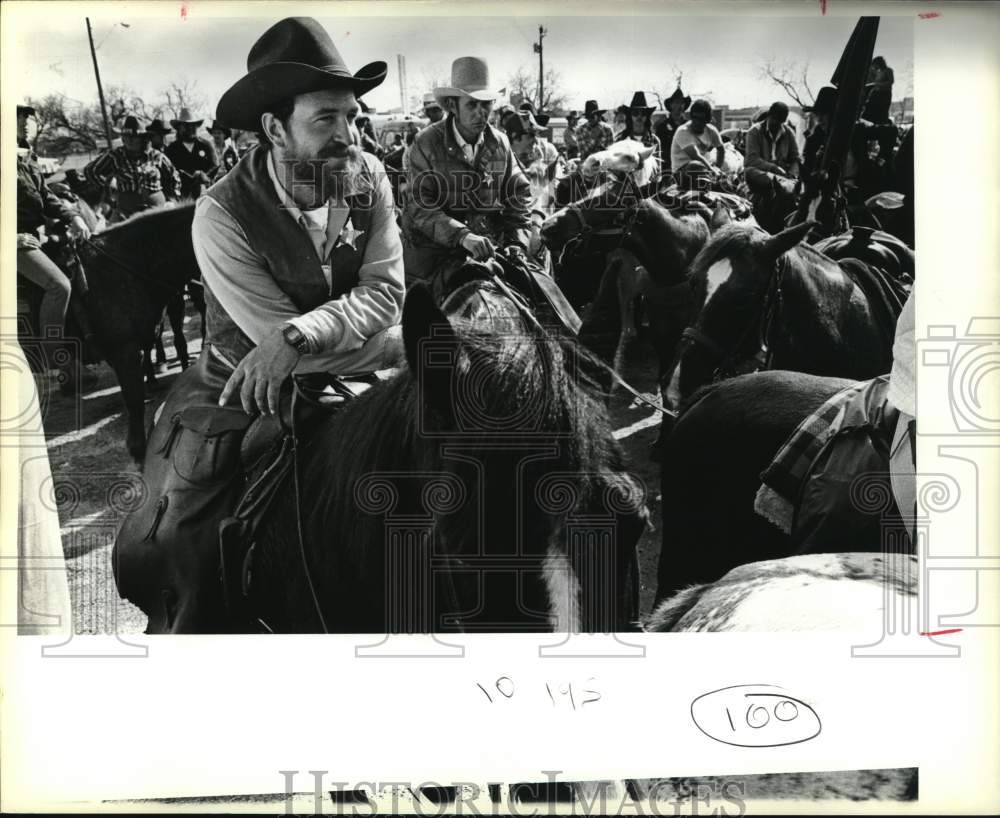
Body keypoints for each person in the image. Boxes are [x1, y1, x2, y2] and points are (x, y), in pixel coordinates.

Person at [114, 16, 406, 631]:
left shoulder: (371, 178)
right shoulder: (220, 214)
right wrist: (392, 350)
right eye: (325, 119)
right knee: (185, 532)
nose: (349, 136)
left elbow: (385, 292)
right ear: (275, 128)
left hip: (334, 362)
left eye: (352, 116)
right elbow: (268, 342)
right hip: (238, 385)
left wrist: (302, 335)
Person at [401, 55, 532, 297]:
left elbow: (519, 193)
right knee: (420, 319)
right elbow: (420, 207)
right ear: (453, 106)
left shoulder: (500, 142)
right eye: (472, 105)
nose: (481, 114)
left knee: (537, 297)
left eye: (486, 105)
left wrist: (516, 242)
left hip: (489, 250)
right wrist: (462, 236)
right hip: (434, 255)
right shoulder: (426, 143)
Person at [16, 105, 92, 350]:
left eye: (28, 116)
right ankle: (55, 361)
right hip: (15, 242)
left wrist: (73, 217)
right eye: (18, 115)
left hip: (35, 235)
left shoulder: (26, 155)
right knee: (58, 287)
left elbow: (45, 196)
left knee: (81, 265)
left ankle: (85, 348)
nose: (26, 121)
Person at [84, 115, 181, 220]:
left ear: (143, 138)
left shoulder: (156, 156)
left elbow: (174, 176)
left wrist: (172, 200)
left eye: (134, 137)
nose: (129, 140)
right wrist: (109, 189)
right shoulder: (115, 156)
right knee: (114, 234)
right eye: (125, 136)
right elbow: (90, 171)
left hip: (156, 208)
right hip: (126, 210)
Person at [744, 101, 800, 198]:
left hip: (784, 176)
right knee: (749, 171)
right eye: (774, 120)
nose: (776, 124)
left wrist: (792, 174)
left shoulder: (788, 133)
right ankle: (783, 184)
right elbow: (752, 160)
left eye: (780, 122)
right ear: (769, 116)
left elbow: (795, 159)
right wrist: (773, 168)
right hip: (763, 174)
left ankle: (785, 184)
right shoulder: (754, 131)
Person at [164, 108, 218, 199]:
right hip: (182, 194)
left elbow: (214, 165)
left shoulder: (206, 145)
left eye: (193, 125)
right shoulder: (172, 149)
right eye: (186, 125)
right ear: (179, 128)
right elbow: (168, 171)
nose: (190, 128)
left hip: (205, 191)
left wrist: (204, 176)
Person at [669, 98, 725, 187]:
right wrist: (711, 169)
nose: (697, 122)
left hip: (704, 169)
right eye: (695, 118)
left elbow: (721, 149)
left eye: (701, 119)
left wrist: (717, 168)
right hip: (682, 172)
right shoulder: (683, 131)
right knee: (695, 166)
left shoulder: (711, 131)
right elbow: (695, 155)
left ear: (707, 119)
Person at [616, 91, 663, 167]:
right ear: (630, 116)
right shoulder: (620, 139)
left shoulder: (654, 140)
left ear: (647, 117)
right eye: (635, 113)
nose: (639, 116)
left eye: (643, 113)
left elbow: (658, 170)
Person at [654, 86, 690, 159]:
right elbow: (658, 149)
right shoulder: (662, 126)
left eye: (682, 103)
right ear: (671, 105)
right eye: (677, 102)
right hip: (668, 165)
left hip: (686, 164)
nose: (680, 106)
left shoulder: (689, 126)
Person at [862, 55, 894, 124]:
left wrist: (878, 85)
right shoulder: (878, 72)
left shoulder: (888, 70)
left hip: (885, 94)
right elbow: (871, 81)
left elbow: (890, 81)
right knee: (869, 111)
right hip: (876, 94)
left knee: (881, 113)